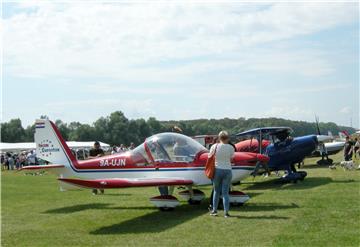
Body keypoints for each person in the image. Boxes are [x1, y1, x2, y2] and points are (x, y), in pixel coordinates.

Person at [209, 131, 234, 218]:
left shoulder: (214, 146)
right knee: (225, 193)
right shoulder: (231, 147)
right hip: (227, 170)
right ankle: (226, 213)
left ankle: (214, 210)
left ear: (219, 138)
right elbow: (231, 159)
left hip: (217, 170)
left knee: (216, 191)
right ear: (227, 138)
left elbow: (210, 157)